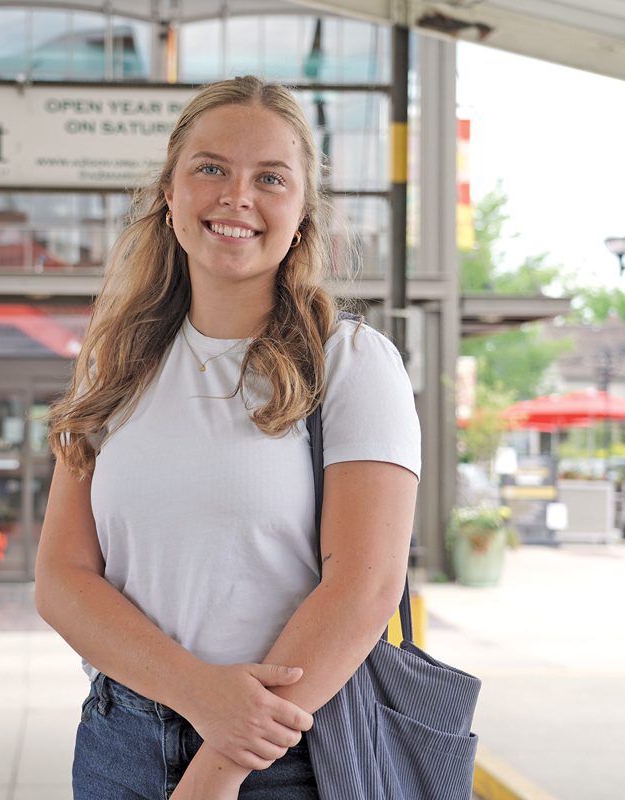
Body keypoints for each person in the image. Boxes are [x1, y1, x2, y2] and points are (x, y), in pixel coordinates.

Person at [36, 75, 421, 800]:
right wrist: (200, 695)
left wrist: (219, 768)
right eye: (210, 168)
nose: (236, 196)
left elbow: (365, 587)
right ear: (169, 195)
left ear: (303, 212)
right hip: (119, 742)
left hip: (288, 758)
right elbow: (62, 580)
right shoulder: (113, 367)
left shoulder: (351, 363)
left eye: (269, 178)